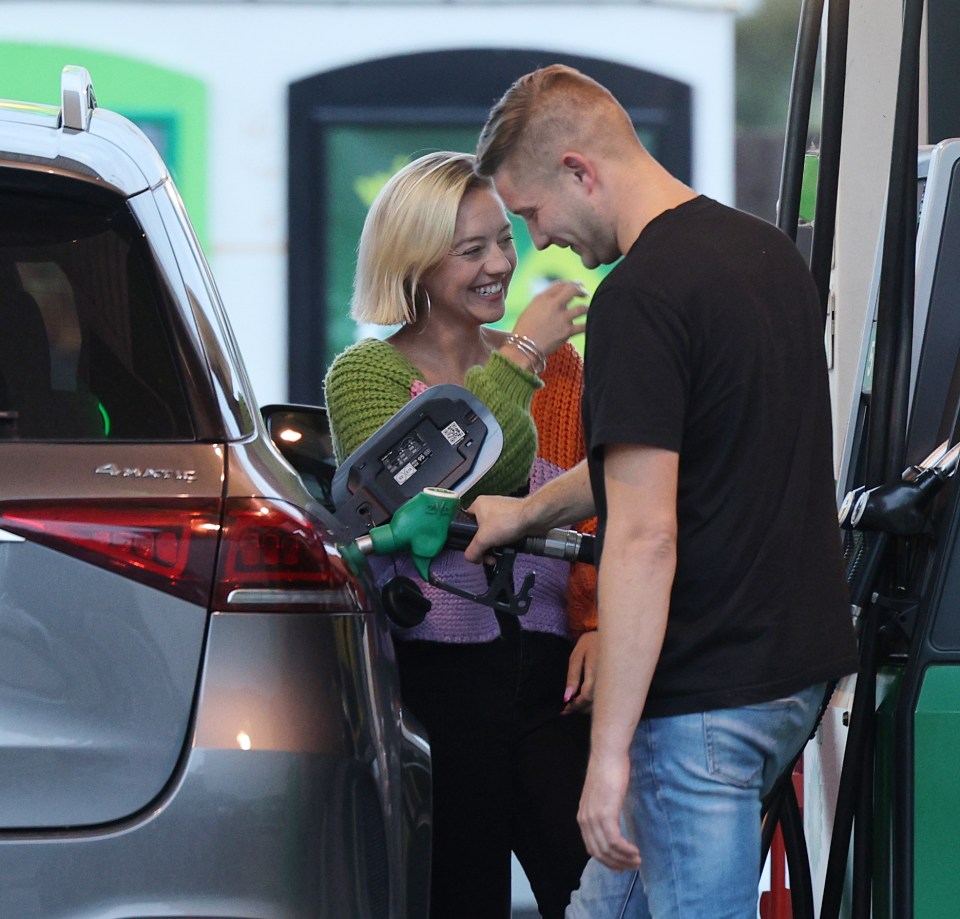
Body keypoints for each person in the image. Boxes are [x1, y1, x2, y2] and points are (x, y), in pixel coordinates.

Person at [464, 65, 860, 918]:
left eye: (531, 214)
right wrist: (526, 511)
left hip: (702, 703)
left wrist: (607, 760)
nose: (539, 243)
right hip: (790, 672)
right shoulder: (766, 255)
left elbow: (644, 533)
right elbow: (683, 459)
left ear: (580, 169)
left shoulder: (638, 298)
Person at [323, 150, 598, 919]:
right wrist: (522, 355)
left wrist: (599, 623)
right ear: (413, 260)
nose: (499, 265)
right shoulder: (365, 375)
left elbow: (597, 500)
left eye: (504, 240)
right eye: (470, 249)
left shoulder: (563, 372)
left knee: (593, 887)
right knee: (458, 892)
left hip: (551, 675)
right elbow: (461, 475)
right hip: (439, 676)